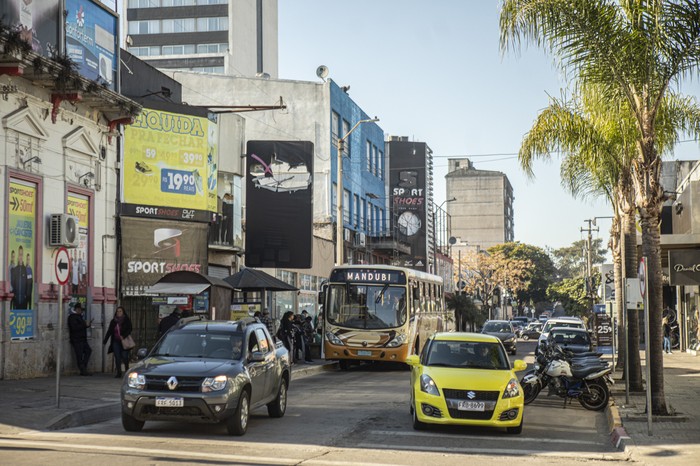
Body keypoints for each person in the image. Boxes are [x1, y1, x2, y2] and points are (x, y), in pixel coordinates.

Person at [103, 306, 133, 377]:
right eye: (117, 311)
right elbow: (110, 331)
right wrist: (105, 340)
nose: (119, 313)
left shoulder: (126, 320)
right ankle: (119, 373)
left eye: (120, 311)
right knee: (117, 357)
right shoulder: (113, 321)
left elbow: (130, 329)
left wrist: (124, 336)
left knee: (125, 356)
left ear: (123, 312)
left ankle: (126, 370)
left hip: (124, 341)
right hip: (115, 341)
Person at [67, 302, 93, 376]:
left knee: (88, 351)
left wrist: (86, 325)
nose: (82, 311)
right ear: (77, 309)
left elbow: (81, 326)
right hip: (77, 339)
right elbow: (74, 328)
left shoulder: (79, 317)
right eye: (81, 310)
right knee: (79, 355)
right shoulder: (72, 317)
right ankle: (83, 370)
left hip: (82, 339)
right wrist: (84, 325)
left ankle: (83, 367)